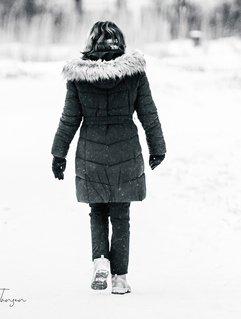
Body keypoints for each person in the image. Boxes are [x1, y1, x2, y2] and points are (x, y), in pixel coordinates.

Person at [51, 21, 166, 295]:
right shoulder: (134, 74)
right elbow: (148, 113)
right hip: (125, 151)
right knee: (121, 215)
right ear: (120, 43)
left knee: (98, 211)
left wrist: (58, 153)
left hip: (91, 152)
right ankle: (120, 279)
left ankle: (101, 260)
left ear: (91, 45)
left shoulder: (79, 77)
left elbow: (70, 119)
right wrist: (157, 147)